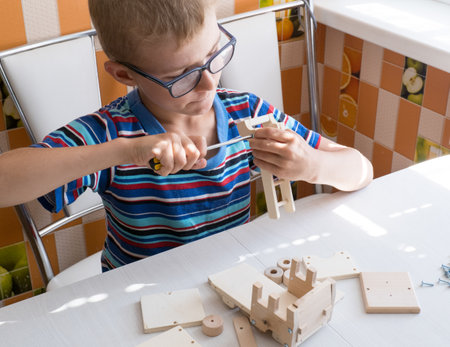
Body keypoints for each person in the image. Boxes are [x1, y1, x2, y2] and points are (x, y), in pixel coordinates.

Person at [0, 0, 373, 272]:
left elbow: (360, 170)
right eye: (183, 76)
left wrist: (311, 163)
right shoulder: (112, 134)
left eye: (215, 54)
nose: (210, 82)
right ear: (125, 76)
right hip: (139, 296)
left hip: (232, 275)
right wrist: (120, 153)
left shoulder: (249, 113)